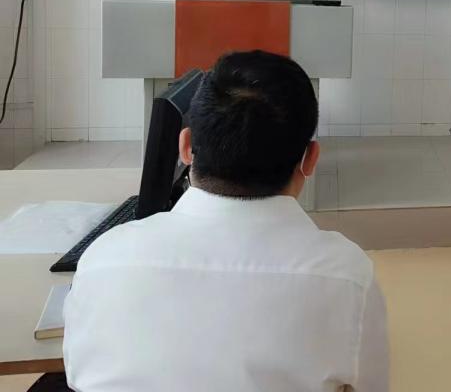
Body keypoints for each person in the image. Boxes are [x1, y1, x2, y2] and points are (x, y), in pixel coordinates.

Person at [64, 51, 389, 392]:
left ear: (186, 146)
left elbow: (77, 374)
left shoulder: (103, 259)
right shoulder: (347, 277)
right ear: (310, 159)